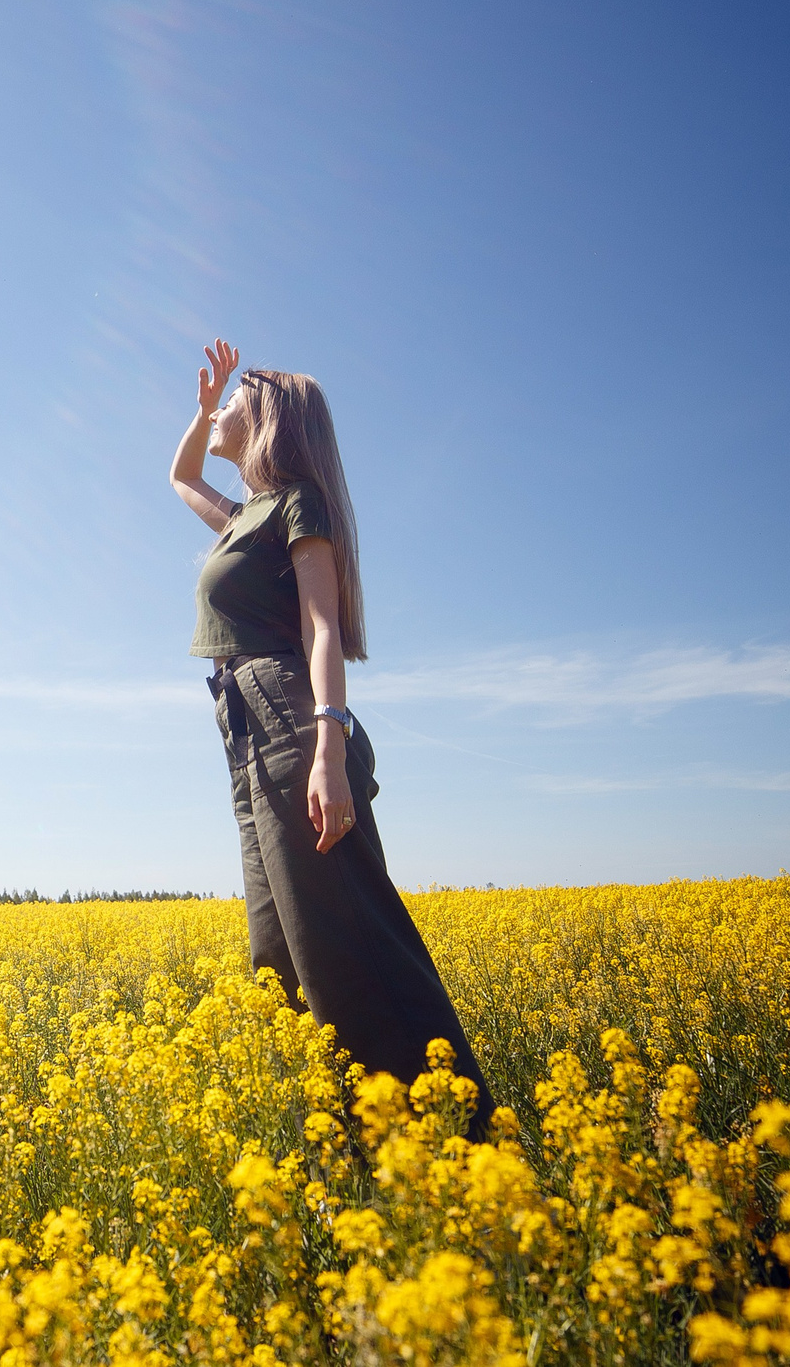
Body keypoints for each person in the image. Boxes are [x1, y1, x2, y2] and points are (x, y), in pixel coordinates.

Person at [169, 338, 497, 1132]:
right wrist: (205, 400)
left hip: (288, 715)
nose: (221, 411)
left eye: (237, 396)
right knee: (277, 958)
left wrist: (329, 748)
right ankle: (351, 1151)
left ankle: (460, 1139)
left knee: (344, 941)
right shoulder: (242, 518)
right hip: (243, 729)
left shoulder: (296, 504)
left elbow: (321, 628)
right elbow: (180, 478)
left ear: (272, 414)